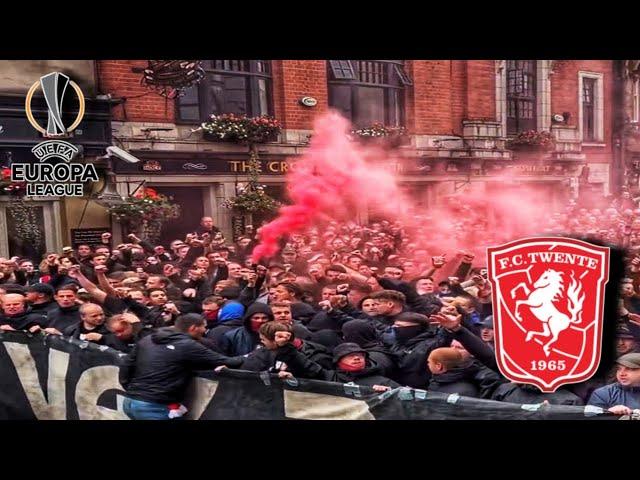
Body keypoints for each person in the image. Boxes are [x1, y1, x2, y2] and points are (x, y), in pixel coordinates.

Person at [119, 313, 243, 420]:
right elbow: (230, 361)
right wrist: (251, 356)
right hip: (153, 406)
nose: (205, 330)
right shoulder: (187, 345)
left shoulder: (147, 339)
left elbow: (126, 364)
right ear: (194, 328)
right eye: (204, 326)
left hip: (130, 401)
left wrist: (130, 389)